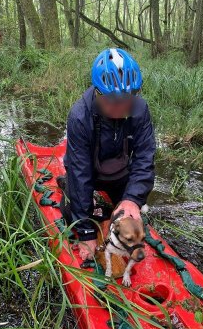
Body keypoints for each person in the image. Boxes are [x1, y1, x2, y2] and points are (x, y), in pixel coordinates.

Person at [60, 48, 156, 261]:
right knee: (68, 212)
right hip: (88, 173)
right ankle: (69, 193)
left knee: (136, 209)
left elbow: (144, 158)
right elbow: (79, 172)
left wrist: (132, 198)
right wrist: (85, 231)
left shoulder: (139, 110)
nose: (121, 106)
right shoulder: (79, 117)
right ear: (98, 92)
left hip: (118, 172)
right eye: (112, 99)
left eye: (127, 98)